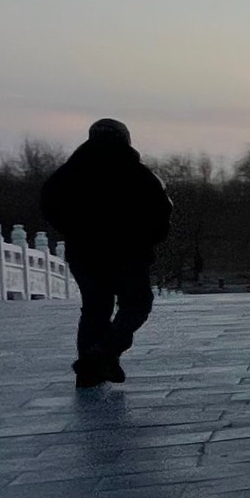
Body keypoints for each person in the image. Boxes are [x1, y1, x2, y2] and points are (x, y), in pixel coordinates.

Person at [40, 119, 173, 387]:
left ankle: (90, 370)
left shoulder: (69, 173)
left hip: (84, 253)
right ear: (126, 139)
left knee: (94, 309)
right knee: (135, 305)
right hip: (129, 254)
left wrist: (73, 230)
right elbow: (162, 213)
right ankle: (105, 353)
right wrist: (146, 239)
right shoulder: (139, 174)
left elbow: (48, 205)